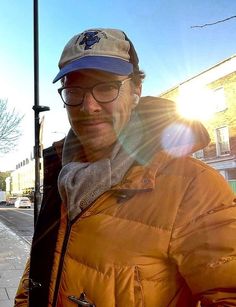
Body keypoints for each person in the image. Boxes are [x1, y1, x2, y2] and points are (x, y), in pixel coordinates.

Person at [15, 28, 236, 307]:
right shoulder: (59, 178)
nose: (89, 106)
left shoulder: (194, 187)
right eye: (74, 91)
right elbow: (33, 281)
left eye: (106, 87)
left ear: (135, 91)